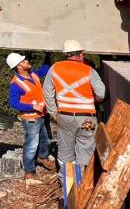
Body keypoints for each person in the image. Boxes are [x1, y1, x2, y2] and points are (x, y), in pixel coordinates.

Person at [43, 40, 105, 172]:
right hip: (87, 118)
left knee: (65, 152)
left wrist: (54, 113)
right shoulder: (89, 71)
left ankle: (69, 185)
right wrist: (96, 100)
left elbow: (47, 93)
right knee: (86, 150)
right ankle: (83, 183)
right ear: (81, 54)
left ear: (66, 54)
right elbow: (102, 94)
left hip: (64, 116)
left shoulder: (55, 68)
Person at [6, 52, 53, 177]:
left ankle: (43, 157)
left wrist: (48, 55)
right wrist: (33, 106)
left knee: (47, 139)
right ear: (19, 67)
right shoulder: (16, 84)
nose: (26, 61)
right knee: (31, 145)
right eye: (23, 61)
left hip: (42, 115)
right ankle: (29, 170)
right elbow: (13, 103)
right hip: (31, 119)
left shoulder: (33, 74)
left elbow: (44, 70)